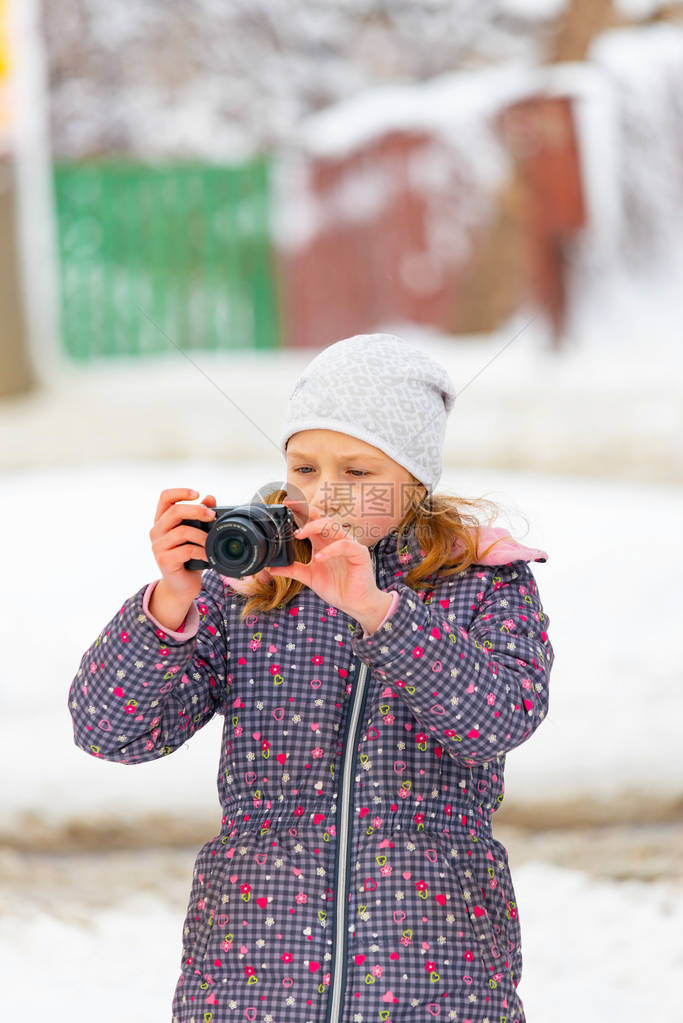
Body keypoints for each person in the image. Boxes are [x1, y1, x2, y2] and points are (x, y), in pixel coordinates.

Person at [68, 332, 554, 1023]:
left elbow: (498, 719)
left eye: (357, 472)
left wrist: (378, 610)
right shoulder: (249, 586)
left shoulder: (480, 581)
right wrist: (171, 599)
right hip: (254, 976)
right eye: (303, 465)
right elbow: (108, 732)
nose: (324, 491)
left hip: (435, 977)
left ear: (413, 480)